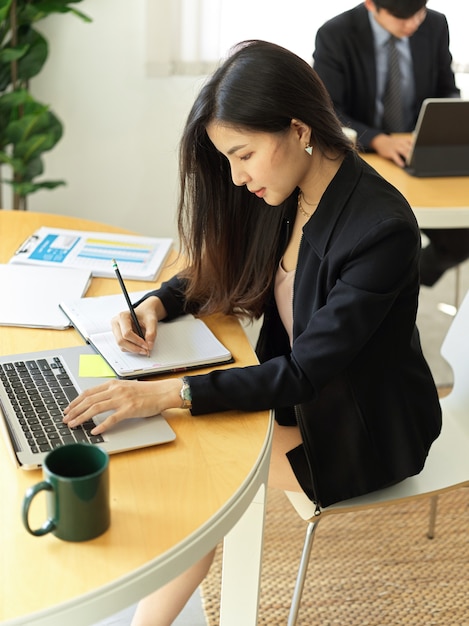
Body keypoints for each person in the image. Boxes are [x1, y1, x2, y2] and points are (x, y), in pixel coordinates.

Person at [63, 40, 442, 626]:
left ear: (298, 129)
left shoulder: (380, 229)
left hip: (358, 429)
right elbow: (229, 262)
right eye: (228, 161)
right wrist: (160, 304)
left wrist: (166, 393)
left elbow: (303, 373)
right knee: (178, 442)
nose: (237, 178)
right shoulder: (287, 187)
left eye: (243, 155)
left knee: (198, 473)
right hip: (302, 403)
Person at [313, 0, 469, 287]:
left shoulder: (435, 24)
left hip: (418, 152)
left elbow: (447, 89)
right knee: (368, 236)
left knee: (461, 238)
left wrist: (446, 123)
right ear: (372, 5)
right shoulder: (335, 33)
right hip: (363, 155)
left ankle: (399, 280)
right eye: (402, 18)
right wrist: (376, 139)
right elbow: (327, 110)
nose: (413, 24)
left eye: (419, 13)